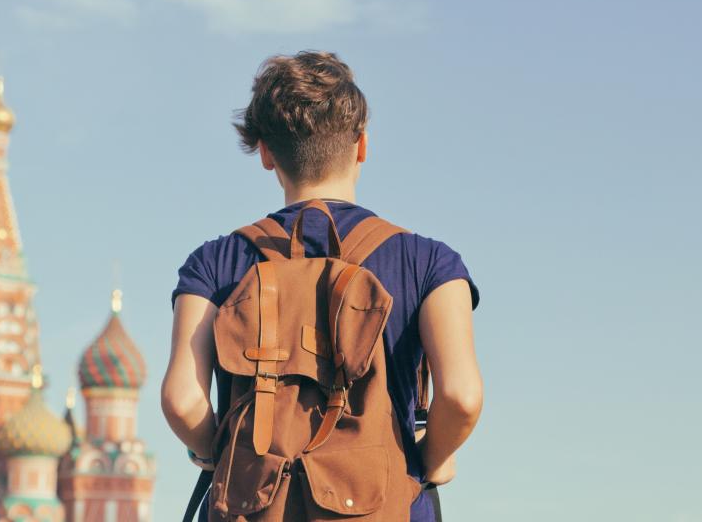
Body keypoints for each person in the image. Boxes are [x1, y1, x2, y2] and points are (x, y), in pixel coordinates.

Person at [161, 51, 483, 521]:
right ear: (362, 146)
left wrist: (218, 455)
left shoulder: (214, 263)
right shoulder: (430, 262)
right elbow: (461, 396)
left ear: (266, 154)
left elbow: (181, 398)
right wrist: (430, 460)